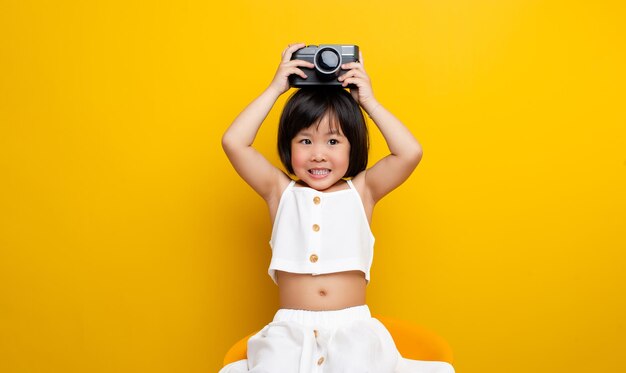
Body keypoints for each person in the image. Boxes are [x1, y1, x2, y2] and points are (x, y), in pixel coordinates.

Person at [220, 43, 455, 373]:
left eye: (333, 141)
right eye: (305, 141)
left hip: (353, 331)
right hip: (289, 333)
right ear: (288, 147)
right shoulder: (279, 192)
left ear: (352, 146)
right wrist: (276, 89)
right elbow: (234, 142)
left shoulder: (362, 191)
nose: (318, 154)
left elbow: (409, 152)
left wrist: (368, 101)